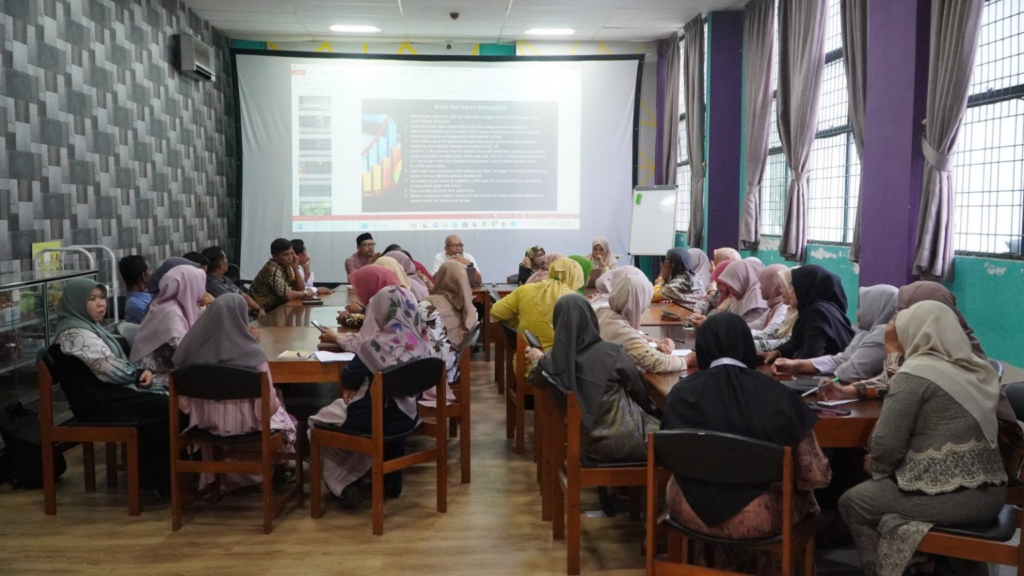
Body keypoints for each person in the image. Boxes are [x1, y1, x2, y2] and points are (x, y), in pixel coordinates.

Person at [839, 301, 1006, 576]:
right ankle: (932, 564)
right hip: (993, 495)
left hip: (954, 499)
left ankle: (890, 569)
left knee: (855, 501)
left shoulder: (915, 375)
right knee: (891, 507)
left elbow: (886, 446)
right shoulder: (977, 370)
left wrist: (877, 468)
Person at [661, 313, 830, 575]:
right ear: (746, 345)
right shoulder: (778, 395)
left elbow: (670, 456)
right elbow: (814, 474)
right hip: (761, 516)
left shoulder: (680, 393)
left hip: (689, 508)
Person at [310, 281, 438, 508]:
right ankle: (378, 483)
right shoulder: (423, 344)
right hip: (408, 418)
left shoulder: (375, 346)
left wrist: (351, 384)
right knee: (371, 417)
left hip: (374, 418)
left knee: (316, 422)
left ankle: (340, 484)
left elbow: (349, 376)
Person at [50, 278, 170, 493]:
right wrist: (138, 374)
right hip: (97, 403)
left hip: (107, 395)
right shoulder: (75, 334)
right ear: (76, 302)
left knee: (164, 399)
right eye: (92, 299)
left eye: (102, 297)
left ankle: (157, 477)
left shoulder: (89, 327)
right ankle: (158, 479)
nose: (100, 303)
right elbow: (109, 370)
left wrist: (139, 374)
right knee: (166, 406)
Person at [172, 294, 297, 492]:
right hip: (248, 427)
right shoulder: (254, 355)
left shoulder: (189, 356)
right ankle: (280, 468)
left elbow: (184, 404)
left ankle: (227, 479)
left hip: (205, 425)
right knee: (282, 412)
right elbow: (266, 407)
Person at [528, 293, 659, 464]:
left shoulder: (551, 360)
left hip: (586, 444)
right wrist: (656, 412)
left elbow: (535, 378)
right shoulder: (612, 353)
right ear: (590, 318)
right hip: (629, 441)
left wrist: (536, 358)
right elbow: (639, 391)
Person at [820, 280, 985, 401]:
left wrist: (893, 351)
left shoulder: (939, 360)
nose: (897, 318)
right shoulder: (931, 345)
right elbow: (888, 382)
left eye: (903, 311)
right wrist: (848, 392)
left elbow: (900, 391)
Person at [774, 285, 898, 383]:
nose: (859, 312)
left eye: (864, 306)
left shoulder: (884, 336)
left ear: (877, 307)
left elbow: (849, 372)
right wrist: (796, 365)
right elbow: (840, 360)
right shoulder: (865, 333)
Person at [596, 274, 688, 373]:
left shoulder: (602, 312)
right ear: (639, 302)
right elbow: (656, 363)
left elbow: (631, 346)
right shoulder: (620, 329)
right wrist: (688, 359)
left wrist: (653, 345)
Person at [761, 264, 854, 362]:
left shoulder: (819, 313)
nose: (790, 290)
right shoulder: (813, 310)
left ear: (806, 287)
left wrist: (789, 364)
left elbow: (811, 355)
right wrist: (777, 353)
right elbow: (797, 343)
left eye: (793, 285)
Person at [490, 257, 584, 350]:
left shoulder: (525, 289)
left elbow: (496, 311)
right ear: (576, 278)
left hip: (526, 355)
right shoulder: (574, 299)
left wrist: (518, 324)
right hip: (558, 357)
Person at [419, 261, 478, 405]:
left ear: (439, 277)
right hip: (453, 368)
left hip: (430, 371)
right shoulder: (471, 310)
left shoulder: (426, 307)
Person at [130, 265, 207, 374]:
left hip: (168, 370)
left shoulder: (180, 306)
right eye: (200, 285)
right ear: (190, 286)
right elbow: (186, 351)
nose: (203, 290)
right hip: (150, 375)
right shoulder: (170, 312)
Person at [689, 258, 767, 328]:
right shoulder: (740, 295)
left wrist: (709, 323)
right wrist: (702, 316)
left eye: (731, 286)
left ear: (741, 280)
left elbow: (742, 329)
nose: (731, 291)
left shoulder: (756, 302)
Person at [249, 238, 316, 313]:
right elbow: (288, 295)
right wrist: (305, 293)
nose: (290, 258)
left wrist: (295, 269)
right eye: (286, 254)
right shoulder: (272, 269)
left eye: (292, 253)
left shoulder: (285, 266)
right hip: (259, 313)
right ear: (275, 257)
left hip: (274, 310)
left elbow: (299, 289)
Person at [201, 246, 263, 315]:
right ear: (221, 265)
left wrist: (258, 309)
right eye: (225, 258)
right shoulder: (212, 284)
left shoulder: (224, 278)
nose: (227, 261)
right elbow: (234, 306)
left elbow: (243, 295)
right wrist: (253, 311)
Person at [754, 267, 798, 353]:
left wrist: (744, 343)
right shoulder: (791, 310)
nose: (781, 290)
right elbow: (771, 334)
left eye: (785, 286)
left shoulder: (785, 309)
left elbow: (786, 343)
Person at [749, 264, 789, 336]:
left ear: (773, 285)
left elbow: (768, 334)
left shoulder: (784, 308)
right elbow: (758, 324)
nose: (760, 287)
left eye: (763, 284)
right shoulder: (774, 306)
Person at [118, 255, 152, 324]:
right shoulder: (136, 306)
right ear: (144, 276)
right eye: (149, 270)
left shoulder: (145, 295)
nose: (152, 273)